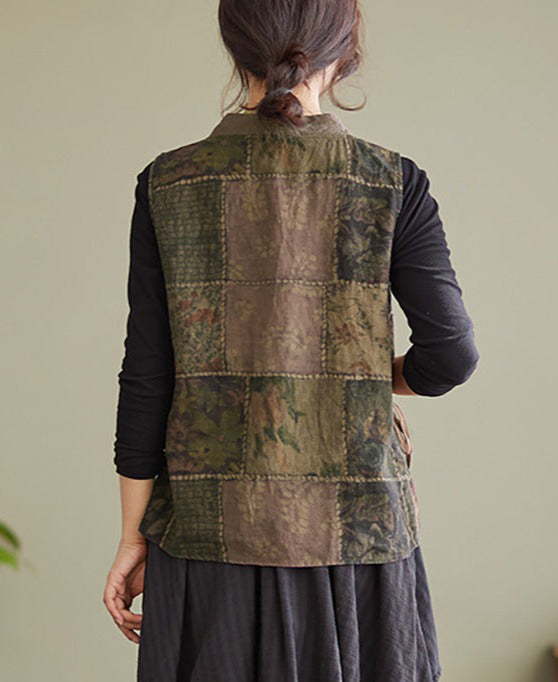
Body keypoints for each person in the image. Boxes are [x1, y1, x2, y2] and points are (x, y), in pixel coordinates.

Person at [103, 0, 479, 680]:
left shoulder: (168, 183)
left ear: (234, 44)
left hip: (207, 539)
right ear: (345, 50)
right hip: (359, 540)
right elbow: (452, 353)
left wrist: (133, 536)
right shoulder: (391, 181)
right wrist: (379, 377)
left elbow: (148, 377)